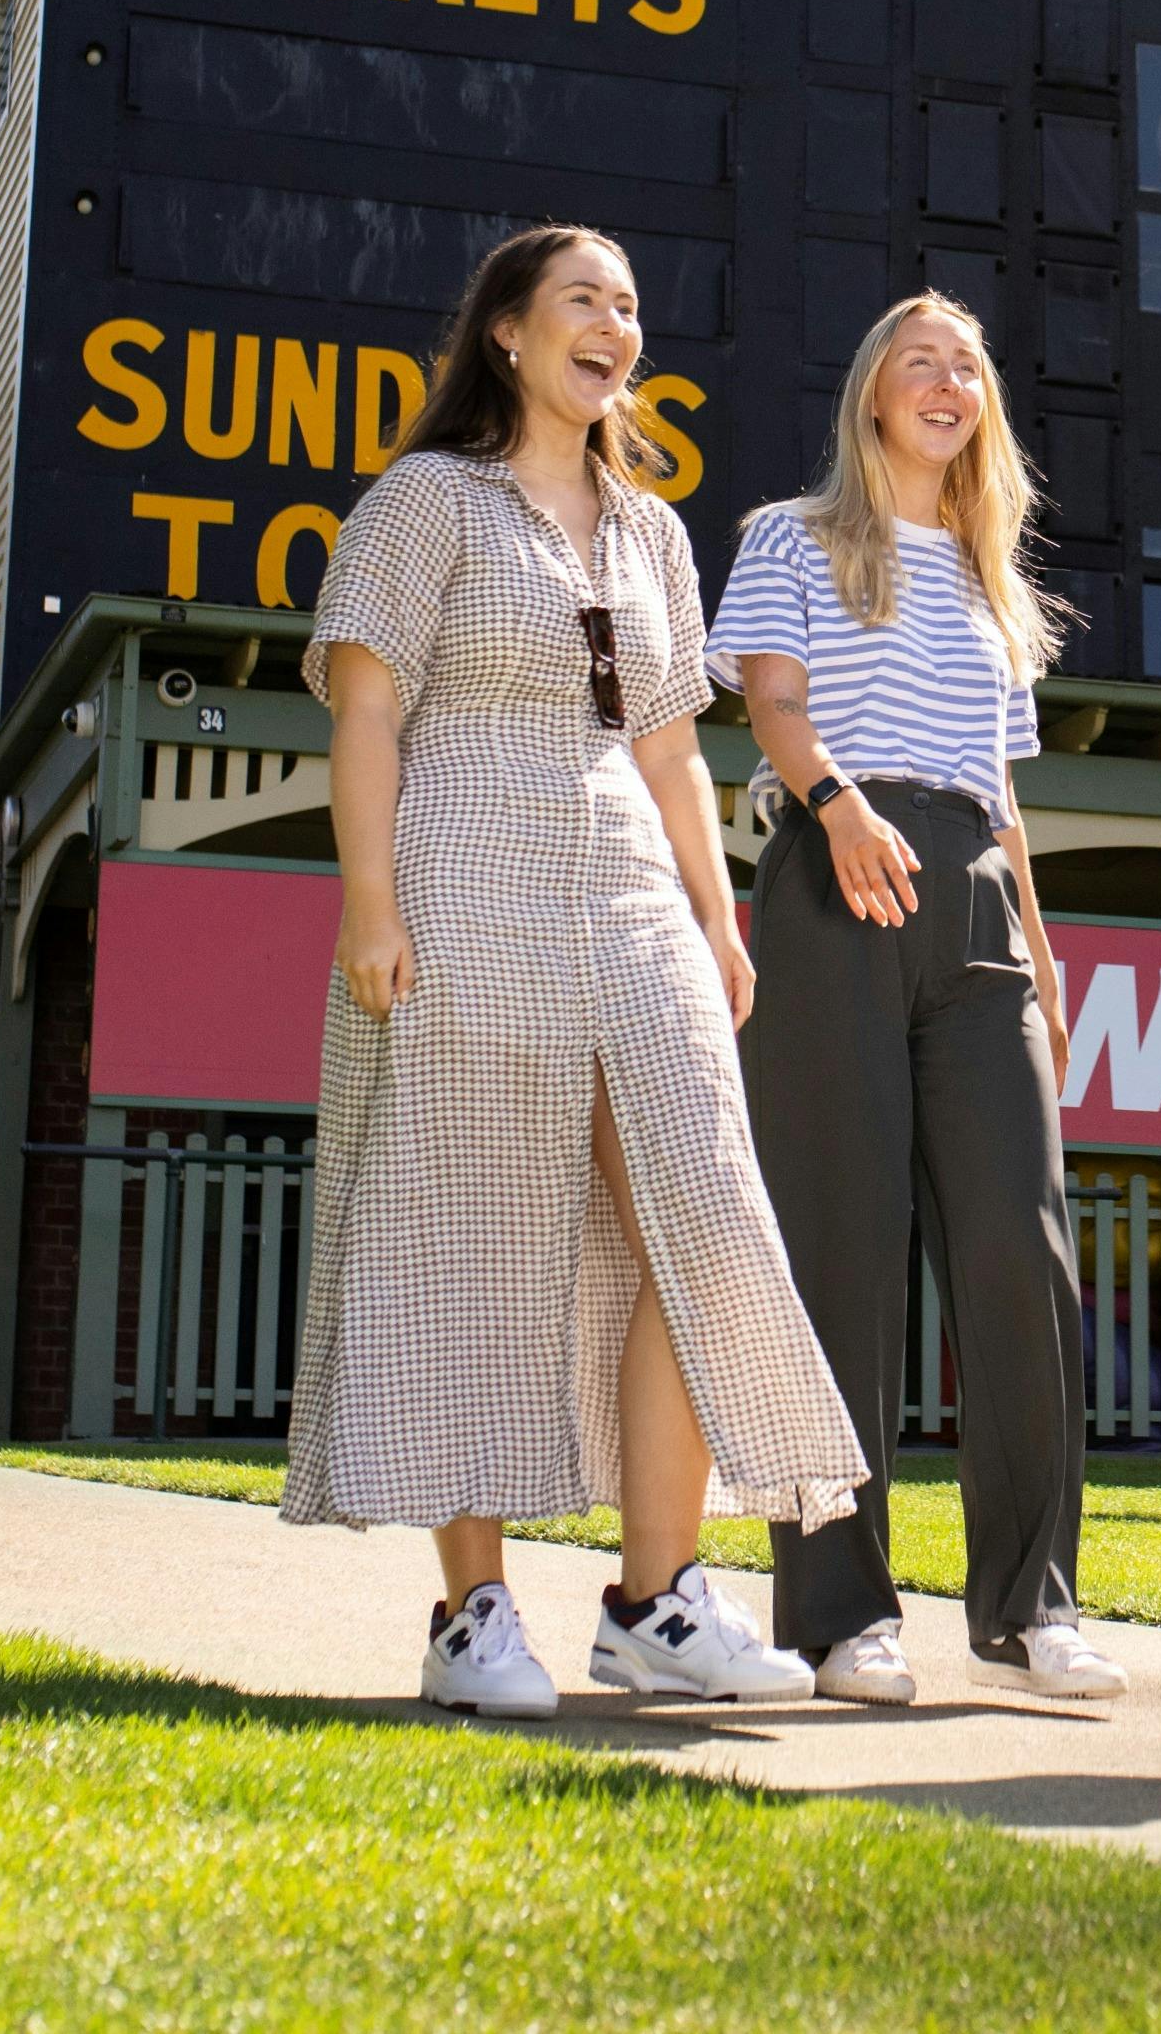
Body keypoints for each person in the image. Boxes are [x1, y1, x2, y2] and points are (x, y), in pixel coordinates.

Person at [286, 222, 864, 1718]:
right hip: (463, 868)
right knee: (467, 1235)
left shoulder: (654, 532)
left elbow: (671, 747)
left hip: (632, 898)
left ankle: (653, 1602)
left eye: (628, 305)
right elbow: (364, 714)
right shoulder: (428, 501)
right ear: (507, 335)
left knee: (702, 1212)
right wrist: (367, 901)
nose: (613, 327)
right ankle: (470, 1615)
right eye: (581, 302)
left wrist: (718, 916)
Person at [718, 292, 1120, 1705]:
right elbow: (772, 704)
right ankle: (840, 1616)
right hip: (834, 876)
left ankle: (1033, 1609)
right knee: (842, 1257)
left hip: (969, 898)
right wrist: (834, 810)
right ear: (871, 392)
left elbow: (999, 791)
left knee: (1021, 1251)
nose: (947, 379)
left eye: (968, 365)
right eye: (919, 359)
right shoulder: (794, 536)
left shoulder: (993, 582)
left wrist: (1043, 953)